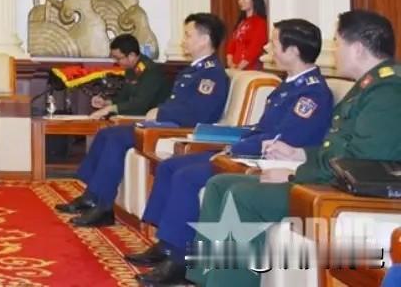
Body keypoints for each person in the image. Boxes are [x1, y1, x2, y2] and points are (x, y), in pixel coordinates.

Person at [185, 10, 401, 287]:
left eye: (338, 43)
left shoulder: (387, 91)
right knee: (220, 184)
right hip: (333, 177)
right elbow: (339, 147)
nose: (334, 51)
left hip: (345, 192)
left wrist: (293, 174)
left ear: (357, 49)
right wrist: (299, 154)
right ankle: (203, 280)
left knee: (243, 196)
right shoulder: (370, 86)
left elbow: (362, 161)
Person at [130, 18, 334, 285]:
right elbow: (262, 129)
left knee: (187, 177)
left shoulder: (312, 93)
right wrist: (233, 139)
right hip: (249, 152)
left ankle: (178, 261)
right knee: (171, 166)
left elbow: (284, 139)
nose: (267, 48)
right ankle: (168, 245)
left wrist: (235, 147)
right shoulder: (290, 86)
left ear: (293, 50)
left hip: (266, 161)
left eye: (274, 42)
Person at [56, 13, 230, 227]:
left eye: (188, 35)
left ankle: (103, 207)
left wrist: (161, 114)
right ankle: (92, 196)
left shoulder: (212, 74)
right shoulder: (192, 70)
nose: (183, 40)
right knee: (106, 134)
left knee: (116, 138)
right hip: (165, 125)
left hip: (178, 130)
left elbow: (199, 114)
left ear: (204, 39)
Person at [87, 34, 170, 120]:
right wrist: (106, 103)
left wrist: (110, 109)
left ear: (131, 56)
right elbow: (124, 97)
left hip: (153, 119)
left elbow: (140, 105)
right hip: (137, 116)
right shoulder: (131, 69)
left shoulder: (151, 71)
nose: (116, 62)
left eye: (118, 58)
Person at [226, 0, 268, 70]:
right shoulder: (241, 22)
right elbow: (231, 45)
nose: (240, 1)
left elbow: (255, 48)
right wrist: (230, 63)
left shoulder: (261, 23)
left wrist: (240, 67)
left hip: (250, 69)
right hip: (235, 69)